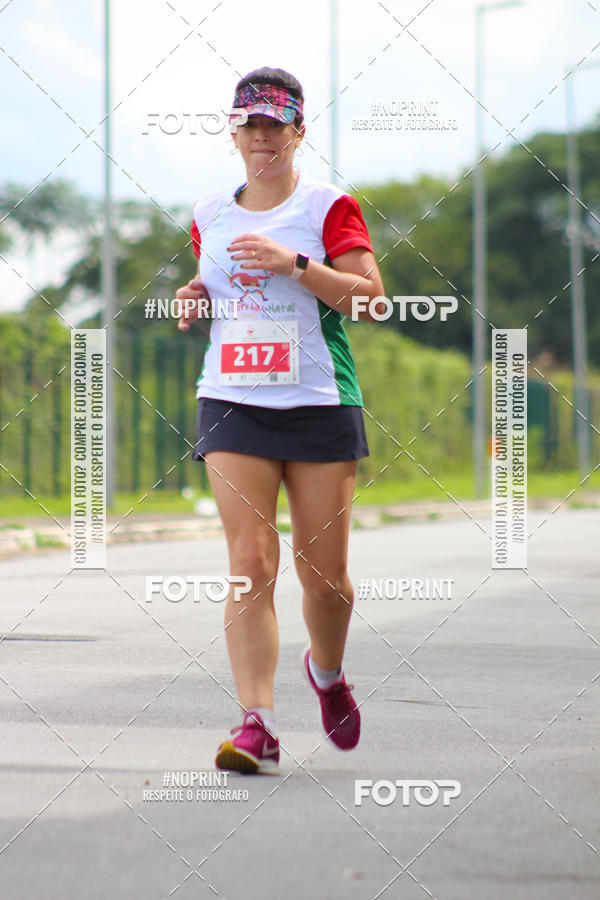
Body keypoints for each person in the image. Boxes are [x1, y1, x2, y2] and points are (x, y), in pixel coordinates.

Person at [175, 66, 385, 774]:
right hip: (233, 401)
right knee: (250, 566)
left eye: (274, 124)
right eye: (249, 124)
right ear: (234, 132)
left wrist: (295, 263)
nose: (261, 136)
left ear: (298, 131)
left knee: (324, 581)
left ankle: (325, 672)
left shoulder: (330, 206)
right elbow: (219, 279)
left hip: (320, 402)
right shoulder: (209, 210)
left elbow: (370, 300)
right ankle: (256, 723)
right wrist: (196, 292)